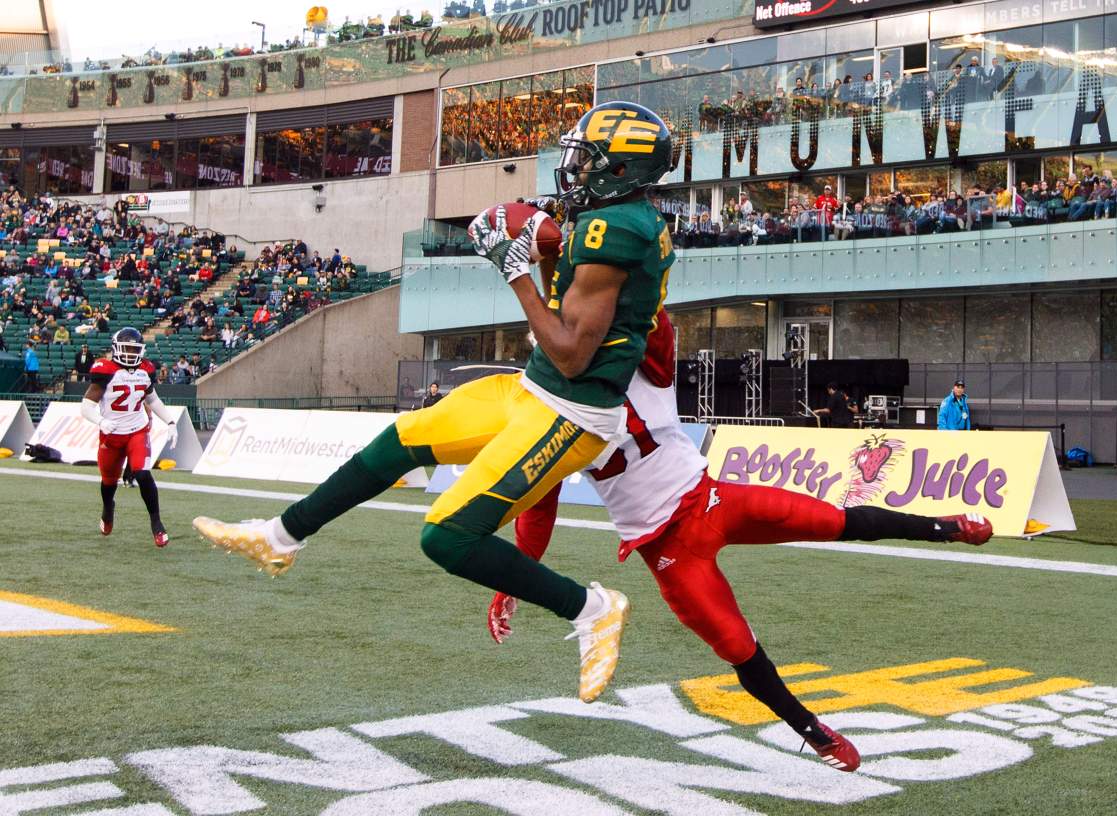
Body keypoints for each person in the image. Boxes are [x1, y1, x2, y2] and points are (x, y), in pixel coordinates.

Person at [191, 101, 677, 704]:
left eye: (588, 160)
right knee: (403, 438)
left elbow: (573, 352)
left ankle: (591, 609)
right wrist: (545, 257)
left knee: (447, 536)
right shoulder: (615, 220)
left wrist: (515, 269)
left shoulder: (617, 230)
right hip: (535, 391)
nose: (574, 169)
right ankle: (281, 537)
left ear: (621, 169)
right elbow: (569, 312)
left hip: (571, 413)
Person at [485, 311, 993, 773]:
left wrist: (609, 278)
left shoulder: (640, 362)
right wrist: (513, 581)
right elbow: (538, 506)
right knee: (736, 646)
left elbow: (649, 310)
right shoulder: (550, 416)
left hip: (711, 501)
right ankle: (812, 731)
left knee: (832, 520)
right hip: (667, 550)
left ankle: (944, 527)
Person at [80, 328, 177, 547]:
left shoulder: (145, 370)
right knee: (108, 482)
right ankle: (108, 509)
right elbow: (86, 407)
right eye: (127, 349)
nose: (132, 353)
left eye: (135, 349)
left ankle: (157, 523)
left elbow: (152, 400)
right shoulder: (106, 370)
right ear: (116, 349)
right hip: (111, 435)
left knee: (142, 474)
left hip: (136, 430)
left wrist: (171, 422)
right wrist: (101, 421)